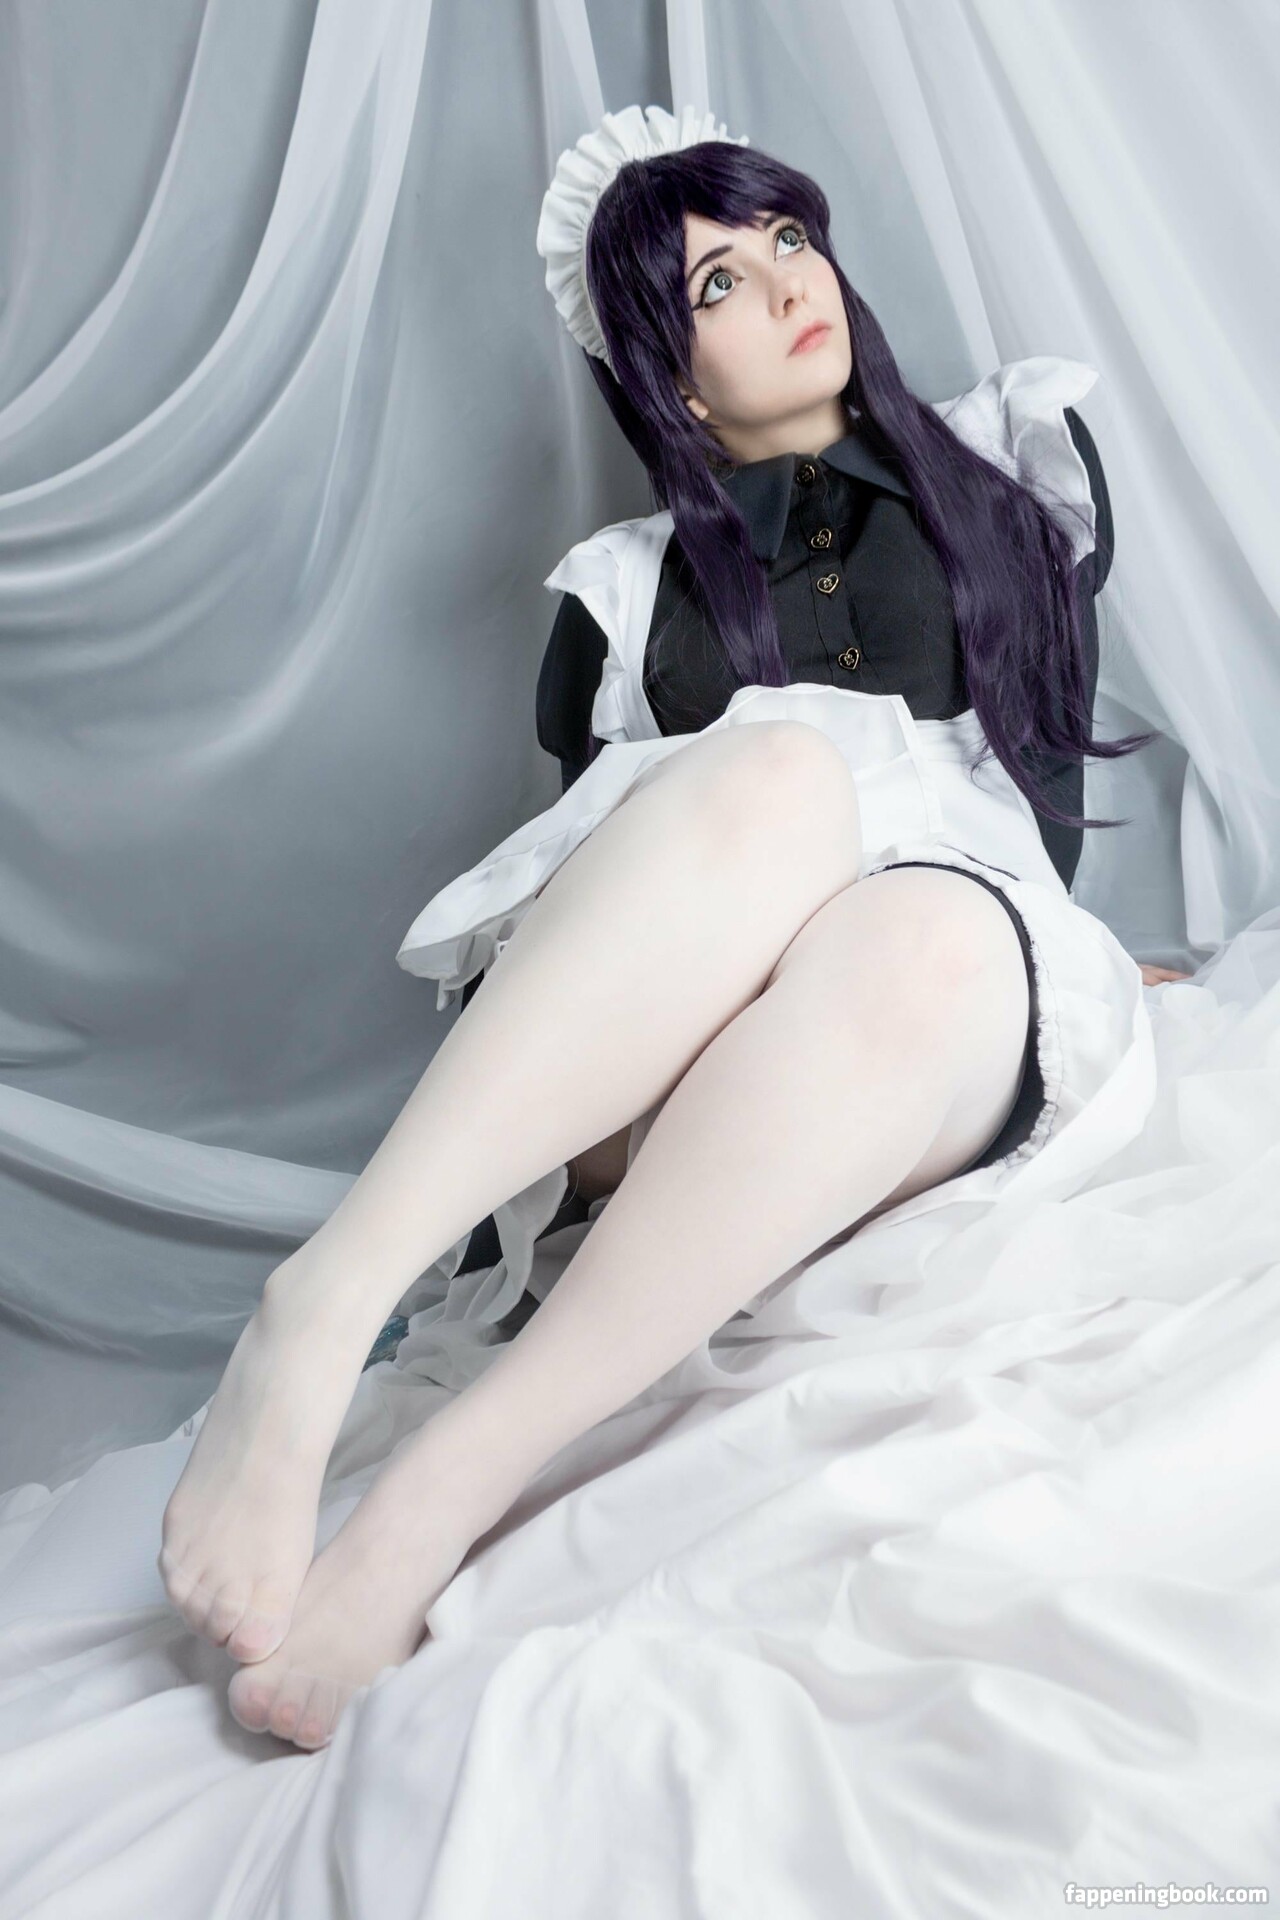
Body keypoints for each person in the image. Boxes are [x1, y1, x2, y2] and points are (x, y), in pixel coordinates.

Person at [156, 103, 1188, 1753]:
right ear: (672, 381)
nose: (783, 282)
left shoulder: (1013, 468)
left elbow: (1040, 782)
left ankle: (438, 1497)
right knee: (778, 769)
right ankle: (324, 1306)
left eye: (787, 238)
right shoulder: (624, 598)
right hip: (686, 1048)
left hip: (944, 993)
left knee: (921, 937)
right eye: (716, 283)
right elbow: (611, 907)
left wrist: (1059, 950)